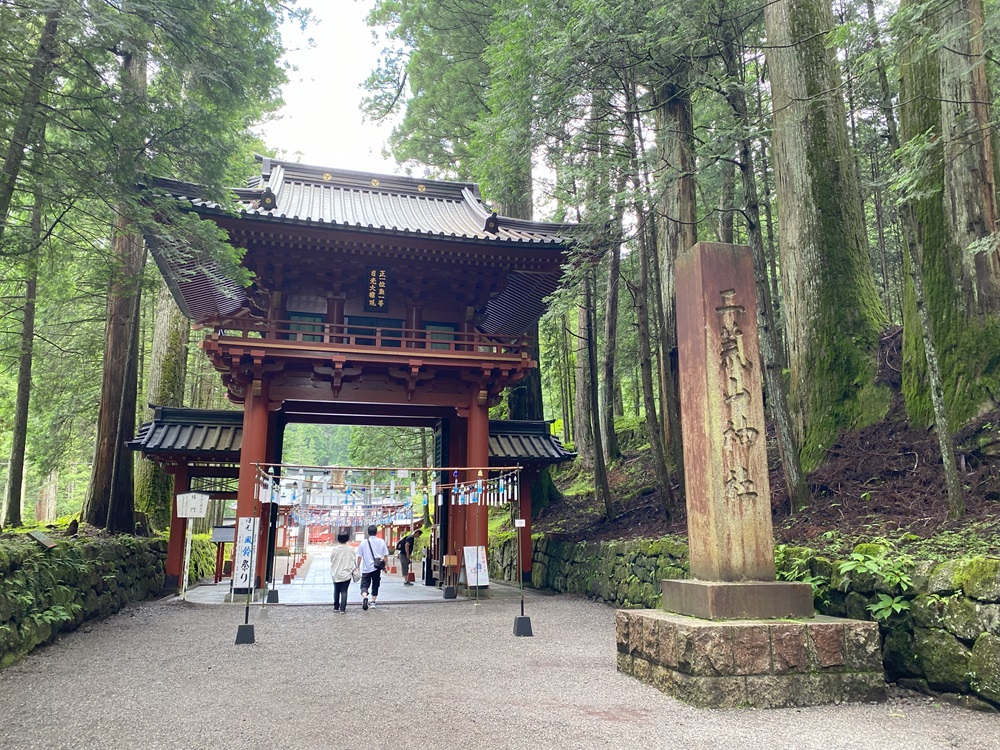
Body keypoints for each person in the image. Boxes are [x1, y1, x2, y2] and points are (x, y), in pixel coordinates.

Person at [356, 523, 388, 610]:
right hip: (376, 568)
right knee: (375, 584)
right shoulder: (381, 542)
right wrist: (385, 566)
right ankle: (373, 602)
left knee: (364, 585)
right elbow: (385, 556)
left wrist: (358, 567)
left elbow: (359, 557)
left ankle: (365, 596)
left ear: (368, 532)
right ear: (376, 532)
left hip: (366, 568)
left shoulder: (363, 543)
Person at [329, 528, 356, 613]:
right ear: (347, 539)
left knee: (336, 590)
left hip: (336, 572)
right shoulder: (351, 549)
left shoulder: (335, 549)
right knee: (344, 590)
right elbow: (354, 559)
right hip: (347, 572)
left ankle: (336, 607)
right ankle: (343, 608)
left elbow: (331, 559)